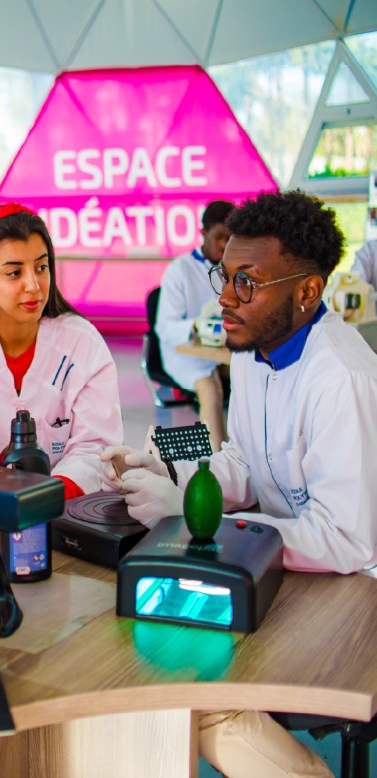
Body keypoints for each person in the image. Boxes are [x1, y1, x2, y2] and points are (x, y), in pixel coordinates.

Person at [102, 190, 377, 778]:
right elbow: (245, 461)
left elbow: (346, 540)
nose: (225, 298)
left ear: (308, 291)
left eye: (246, 282)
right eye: (223, 277)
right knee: (158, 651)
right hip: (298, 571)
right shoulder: (255, 349)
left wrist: (204, 523)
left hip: (356, 593)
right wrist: (173, 472)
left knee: (193, 679)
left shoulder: (341, 377)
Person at [0, 203, 124, 498]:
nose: (33, 285)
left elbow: (96, 447)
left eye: (41, 267)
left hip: (62, 509)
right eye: (15, 272)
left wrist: (45, 498)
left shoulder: (82, 343)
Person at [155, 200, 235, 451]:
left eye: (230, 238)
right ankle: (218, 464)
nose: (224, 245)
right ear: (203, 232)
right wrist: (199, 327)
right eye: (219, 237)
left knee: (254, 374)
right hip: (186, 352)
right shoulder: (180, 270)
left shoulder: (234, 269)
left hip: (222, 349)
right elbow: (165, 328)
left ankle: (250, 456)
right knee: (210, 389)